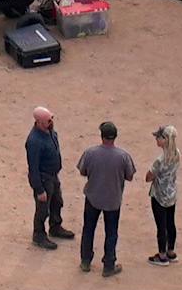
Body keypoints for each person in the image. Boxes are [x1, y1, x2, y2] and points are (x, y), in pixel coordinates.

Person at [77, 120, 136, 277]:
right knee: (111, 232)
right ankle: (109, 265)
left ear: (101, 136)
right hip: (113, 199)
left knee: (88, 229)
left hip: (93, 197)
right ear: (115, 137)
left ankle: (85, 261)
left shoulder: (90, 153)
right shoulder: (123, 156)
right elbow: (130, 176)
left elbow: (82, 171)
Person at [25, 107, 72, 250]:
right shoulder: (34, 141)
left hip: (53, 176)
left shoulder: (50, 131)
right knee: (42, 209)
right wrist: (39, 190)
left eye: (51, 119)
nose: (51, 122)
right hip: (44, 179)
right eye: (47, 120)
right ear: (38, 122)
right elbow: (33, 168)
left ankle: (55, 226)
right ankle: (39, 234)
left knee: (57, 202)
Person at [146, 125, 180, 266]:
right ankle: (171, 251)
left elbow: (148, 177)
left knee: (161, 225)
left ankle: (162, 255)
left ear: (165, 140)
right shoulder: (177, 153)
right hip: (171, 193)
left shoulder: (160, 160)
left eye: (159, 137)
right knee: (170, 223)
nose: (157, 139)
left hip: (159, 194)